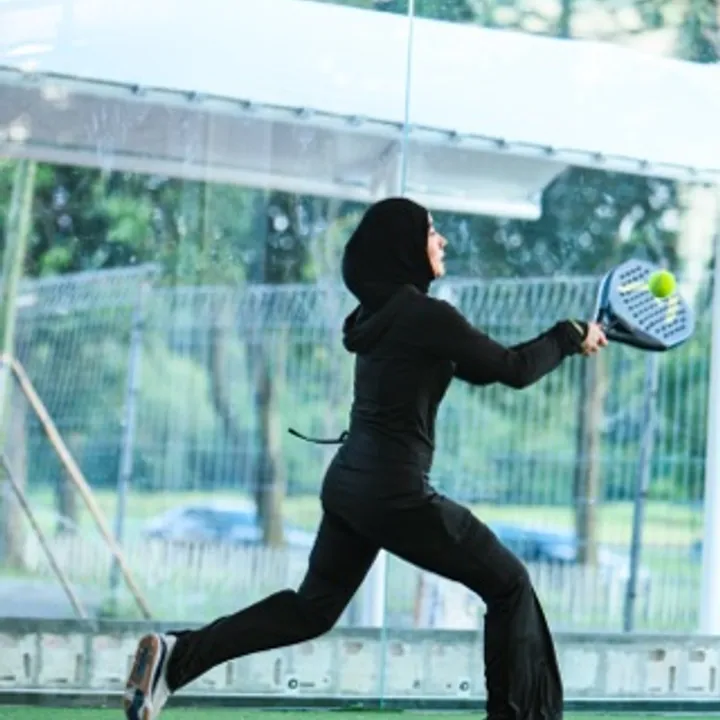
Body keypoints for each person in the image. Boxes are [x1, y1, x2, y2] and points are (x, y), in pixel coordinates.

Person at [123, 197, 608, 720]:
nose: (442, 240)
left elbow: (488, 366)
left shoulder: (378, 316)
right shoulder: (426, 315)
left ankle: (177, 656)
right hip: (395, 494)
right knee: (509, 583)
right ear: (404, 248)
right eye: (431, 231)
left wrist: (567, 340)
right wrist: (567, 335)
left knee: (311, 610)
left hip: (350, 486)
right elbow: (514, 370)